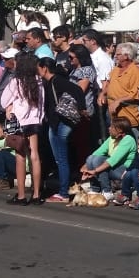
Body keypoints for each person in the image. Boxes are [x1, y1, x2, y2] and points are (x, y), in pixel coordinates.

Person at [39, 57, 86, 202]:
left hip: (61, 123)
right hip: (57, 123)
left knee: (61, 159)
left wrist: (81, 108)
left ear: (44, 68)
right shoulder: (52, 81)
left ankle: (63, 193)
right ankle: (65, 188)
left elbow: (77, 89)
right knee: (61, 158)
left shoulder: (56, 81)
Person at [0, 52, 45, 204]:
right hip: (34, 121)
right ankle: (37, 194)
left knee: (20, 156)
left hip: (20, 122)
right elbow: (42, 103)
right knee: (35, 155)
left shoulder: (16, 82)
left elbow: (3, 100)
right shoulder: (39, 81)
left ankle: (20, 195)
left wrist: (10, 106)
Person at [80, 116, 137, 200]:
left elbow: (113, 160)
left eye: (112, 127)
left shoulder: (128, 140)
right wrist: (85, 166)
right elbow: (98, 152)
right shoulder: (111, 138)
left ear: (120, 130)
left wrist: (94, 171)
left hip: (125, 171)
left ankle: (107, 191)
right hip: (114, 168)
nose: (109, 128)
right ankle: (95, 189)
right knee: (91, 157)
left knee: (98, 160)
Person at [106, 42, 139, 133]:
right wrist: (103, 93)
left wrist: (118, 101)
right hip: (113, 113)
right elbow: (109, 82)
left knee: (129, 139)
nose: (115, 56)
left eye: (118, 54)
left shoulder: (136, 72)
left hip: (127, 116)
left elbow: (135, 94)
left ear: (126, 56)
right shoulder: (116, 69)